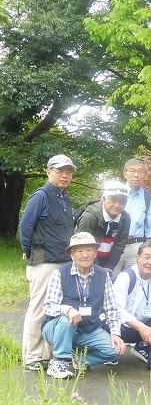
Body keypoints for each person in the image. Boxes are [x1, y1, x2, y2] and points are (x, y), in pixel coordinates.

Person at [41, 232, 126, 378]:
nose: (85, 255)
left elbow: (111, 308)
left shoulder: (103, 275)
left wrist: (115, 333)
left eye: (89, 250)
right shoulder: (59, 273)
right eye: (79, 251)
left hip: (88, 329)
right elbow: (48, 306)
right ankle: (58, 362)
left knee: (116, 350)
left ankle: (80, 360)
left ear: (95, 253)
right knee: (66, 319)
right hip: (58, 329)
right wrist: (68, 310)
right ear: (72, 255)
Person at [19, 154, 76, 371]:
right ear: (48, 172)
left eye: (68, 172)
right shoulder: (41, 196)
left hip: (62, 261)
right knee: (39, 308)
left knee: (55, 310)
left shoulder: (64, 198)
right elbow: (26, 227)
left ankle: (47, 354)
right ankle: (32, 356)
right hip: (44, 262)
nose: (65, 175)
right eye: (60, 171)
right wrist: (29, 251)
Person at [113, 240, 151, 370]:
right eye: (146, 257)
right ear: (137, 259)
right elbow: (117, 311)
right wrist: (141, 328)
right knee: (111, 328)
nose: (150, 262)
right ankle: (112, 350)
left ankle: (143, 347)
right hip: (126, 326)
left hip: (148, 323)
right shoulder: (125, 277)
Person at [74, 180, 131, 272]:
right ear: (104, 199)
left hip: (106, 260)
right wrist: (97, 269)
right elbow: (83, 246)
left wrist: (110, 266)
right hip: (84, 261)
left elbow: (120, 245)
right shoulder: (89, 217)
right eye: (113, 200)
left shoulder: (125, 218)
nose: (117, 205)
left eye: (121, 202)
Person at [115, 159, 151, 276]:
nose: (136, 175)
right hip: (115, 245)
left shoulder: (147, 197)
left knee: (134, 280)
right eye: (132, 171)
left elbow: (150, 228)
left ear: (146, 175)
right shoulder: (115, 193)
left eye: (140, 171)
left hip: (136, 247)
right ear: (125, 174)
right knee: (111, 280)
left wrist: (148, 251)